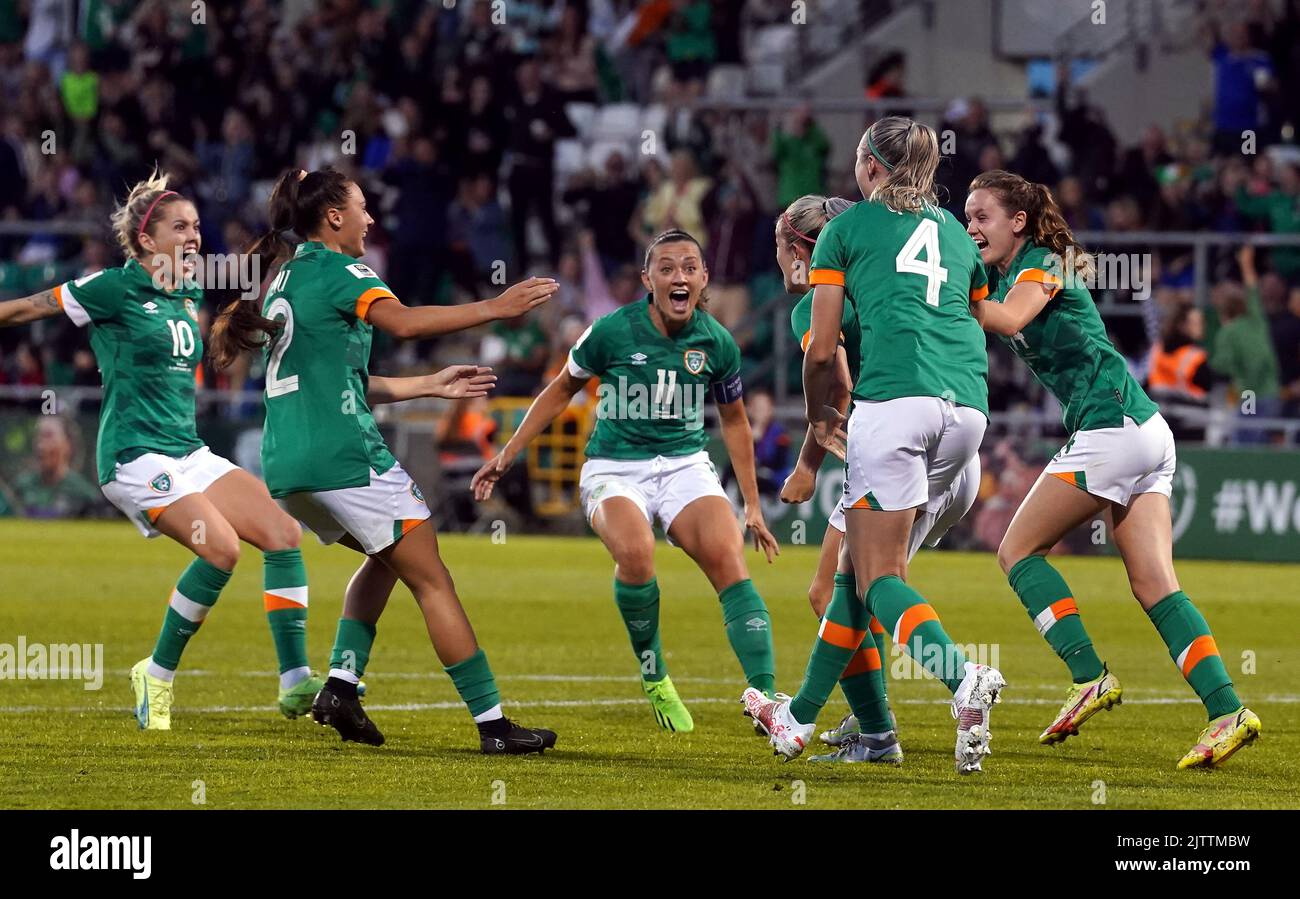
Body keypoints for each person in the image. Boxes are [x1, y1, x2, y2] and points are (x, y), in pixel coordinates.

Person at [211, 167, 560, 755]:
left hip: (288, 463)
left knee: (386, 555)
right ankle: (494, 725)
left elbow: (338, 380)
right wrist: (495, 308)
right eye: (363, 208)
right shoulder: (344, 271)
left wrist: (430, 383)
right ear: (334, 217)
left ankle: (341, 689)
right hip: (342, 452)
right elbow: (401, 320)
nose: (371, 219)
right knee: (433, 578)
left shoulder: (284, 279)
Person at [0, 170, 321, 730]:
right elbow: (29, 307)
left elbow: (241, 280)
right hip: (133, 456)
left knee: (283, 534)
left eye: (197, 226)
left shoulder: (189, 283)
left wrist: (283, 224)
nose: (194, 236)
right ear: (147, 240)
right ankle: (157, 673)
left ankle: (296, 684)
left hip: (186, 450)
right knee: (221, 549)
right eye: (180, 227)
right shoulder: (111, 287)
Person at [965, 169, 1260, 769]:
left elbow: (1008, 320)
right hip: (1144, 430)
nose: (972, 228)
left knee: (1016, 552)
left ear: (1017, 222)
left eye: (982, 217)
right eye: (967, 218)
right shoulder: (1004, 272)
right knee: (1155, 585)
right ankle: (1227, 711)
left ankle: (1088, 675)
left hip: (1112, 428)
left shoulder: (1044, 263)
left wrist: (948, 290)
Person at [745, 117, 1004, 775]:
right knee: (851, 578)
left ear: (867, 166)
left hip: (894, 410)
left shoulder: (847, 229)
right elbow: (975, 321)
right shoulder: (953, 231)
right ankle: (804, 719)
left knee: (874, 576)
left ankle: (962, 677)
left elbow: (824, 352)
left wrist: (814, 420)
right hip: (968, 414)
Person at [472, 229, 781, 734]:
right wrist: (509, 453)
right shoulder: (611, 331)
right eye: (666, 268)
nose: (679, 275)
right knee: (637, 555)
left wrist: (751, 505)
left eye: (689, 267)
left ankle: (768, 701)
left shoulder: (717, 342)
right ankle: (655, 675)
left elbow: (735, 421)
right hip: (614, 468)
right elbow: (559, 390)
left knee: (730, 558)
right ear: (647, 279)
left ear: (703, 278)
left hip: (684, 464)